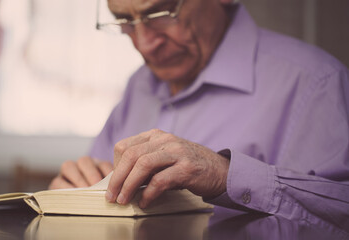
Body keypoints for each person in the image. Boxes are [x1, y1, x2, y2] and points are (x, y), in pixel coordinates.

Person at [49, 0, 349, 229]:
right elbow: (96, 185)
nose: (143, 44)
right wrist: (75, 192)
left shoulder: (317, 82)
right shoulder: (138, 84)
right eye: (125, 21)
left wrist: (223, 176)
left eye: (162, 13)